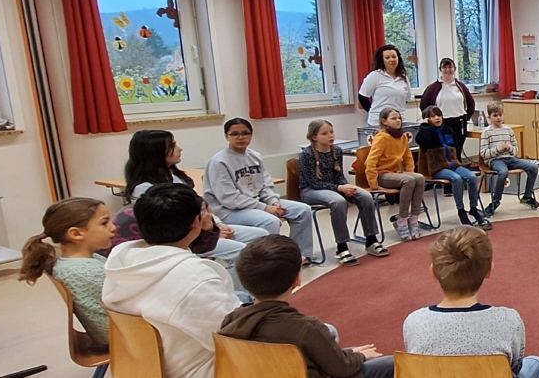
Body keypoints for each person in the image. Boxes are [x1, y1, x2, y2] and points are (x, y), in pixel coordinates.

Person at [103, 183, 242, 378]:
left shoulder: (121, 262)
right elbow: (235, 335)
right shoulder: (195, 278)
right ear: (197, 223)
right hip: (195, 369)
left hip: (142, 366)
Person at [124, 129, 270, 302]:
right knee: (239, 251)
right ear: (156, 152)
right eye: (173, 146)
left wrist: (216, 224)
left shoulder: (174, 175)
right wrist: (209, 232)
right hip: (183, 238)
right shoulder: (145, 189)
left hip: (202, 228)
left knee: (260, 235)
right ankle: (237, 299)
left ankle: (255, 286)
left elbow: (200, 205)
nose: (180, 149)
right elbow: (173, 225)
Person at [219, 236, 396, 378]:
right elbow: (342, 369)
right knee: (392, 364)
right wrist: (359, 356)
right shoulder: (305, 328)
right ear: (297, 280)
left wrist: (348, 354)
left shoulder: (232, 320)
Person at [402, 227, 539, 378]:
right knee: (537, 363)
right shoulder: (509, 319)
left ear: (433, 272)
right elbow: (514, 367)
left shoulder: (414, 321)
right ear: (489, 270)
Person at [205, 118, 316, 264]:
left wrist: (273, 202)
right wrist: (265, 208)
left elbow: (265, 184)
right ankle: (267, 262)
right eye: (235, 134)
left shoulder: (254, 156)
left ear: (251, 135)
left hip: (257, 203)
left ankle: (299, 256)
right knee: (269, 221)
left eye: (245, 133)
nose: (240, 137)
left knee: (302, 210)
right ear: (226, 136)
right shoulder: (219, 161)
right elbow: (229, 198)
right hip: (230, 210)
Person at [19, 197, 117, 347]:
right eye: (104, 223)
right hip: (122, 337)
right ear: (76, 234)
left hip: (115, 333)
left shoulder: (76, 262)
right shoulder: (84, 271)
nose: (113, 227)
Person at [300, 119, 389, 265]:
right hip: (311, 190)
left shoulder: (336, 151)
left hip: (335, 186)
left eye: (331, 132)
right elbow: (313, 183)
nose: (330, 136)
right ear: (314, 137)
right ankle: (342, 247)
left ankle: (371, 240)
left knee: (365, 196)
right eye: (324, 133)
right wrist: (339, 189)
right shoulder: (307, 154)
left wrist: (346, 186)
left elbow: (339, 175)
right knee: (338, 201)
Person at [416, 107, 492, 230]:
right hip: (438, 168)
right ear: (427, 119)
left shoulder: (448, 130)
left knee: (472, 177)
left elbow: (456, 147)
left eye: (439, 115)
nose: (437, 118)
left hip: (453, 164)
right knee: (457, 179)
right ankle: (461, 210)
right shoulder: (427, 132)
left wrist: (458, 162)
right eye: (433, 116)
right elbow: (420, 140)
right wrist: (424, 126)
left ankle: (473, 208)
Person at [365, 108, 429, 241]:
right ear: (384, 121)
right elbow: (370, 161)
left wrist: (410, 173)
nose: (398, 121)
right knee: (408, 181)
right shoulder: (382, 137)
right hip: (381, 175)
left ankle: (414, 218)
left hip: (395, 173)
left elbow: (408, 158)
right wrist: (373, 184)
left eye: (399, 118)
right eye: (393, 118)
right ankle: (402, 219)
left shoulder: (403, 137)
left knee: (419, 178)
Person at [479, 102, 539, 216]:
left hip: (510, 158)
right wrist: (499, 149)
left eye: (500, 115)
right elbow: (484, 153)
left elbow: (515, 149)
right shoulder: (486, 132)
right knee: (503, 172)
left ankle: (527, 197)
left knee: (533, 167)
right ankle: (495, 201)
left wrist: (509, 148)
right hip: (496, 160)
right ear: (489, 117)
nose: (498, 118)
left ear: (504, 115)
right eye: (495, 115)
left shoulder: (509, 130)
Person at [420, 57, 477, 154]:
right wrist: (431, 119)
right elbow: (424, 105)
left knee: (457, 149)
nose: (447, 70)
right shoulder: (433, 87)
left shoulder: (461, 86)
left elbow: (471, 103)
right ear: (440, 69)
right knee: (445, 150)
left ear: (455, 69)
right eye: (444, 67)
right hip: (442, 123)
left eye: (450, 67)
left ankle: (458, 163)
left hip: (459, 122)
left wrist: (466, 117)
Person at [358, 44, 413, 127]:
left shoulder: (403, 77)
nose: (391, 60)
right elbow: (362, 97)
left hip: (399, 122)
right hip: (378, 122)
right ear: (382, 60)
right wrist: (374, 112)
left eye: (394, 57)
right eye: (387, 58)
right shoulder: (375, 75)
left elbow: (406, 99)